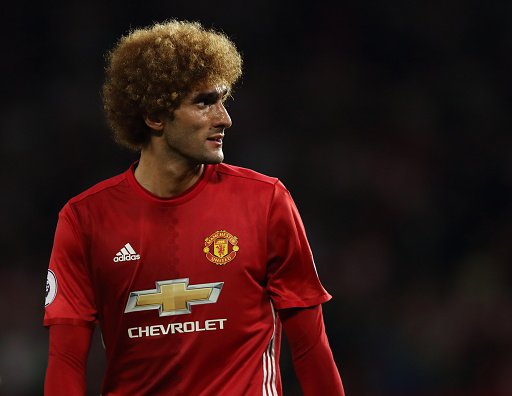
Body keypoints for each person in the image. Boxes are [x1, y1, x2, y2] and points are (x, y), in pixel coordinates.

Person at [43, 20, 344, 395]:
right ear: (155, 116)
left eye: (223, 100)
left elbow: (311, 346)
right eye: (204, 103)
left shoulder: (265, 201)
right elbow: (67, 362)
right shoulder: (84, 219)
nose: (224, 118)